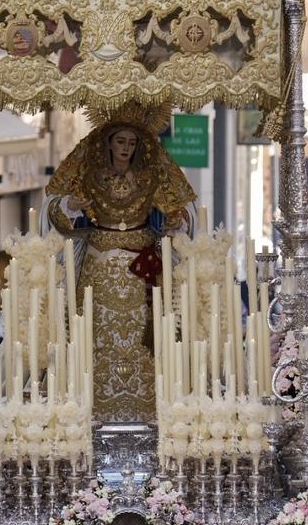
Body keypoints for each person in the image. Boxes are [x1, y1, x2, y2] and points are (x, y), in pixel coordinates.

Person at [45, 109, 195, 423]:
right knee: (93, 334)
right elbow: (55, 212)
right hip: (98, 265)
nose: (126, 148)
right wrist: (73, 206)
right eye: (120, 141)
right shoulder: (89, 174)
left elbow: (182, 216)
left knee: (148, 333)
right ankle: (92, 410)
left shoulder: (151, 174)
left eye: (131, 142)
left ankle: (150, 410)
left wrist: (173, 220)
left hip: (143, 266)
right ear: (108, 144)